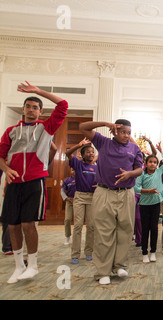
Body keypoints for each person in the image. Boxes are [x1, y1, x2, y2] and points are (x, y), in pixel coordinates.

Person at [0, 81, 68, 284]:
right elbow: (1, 156)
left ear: (40, 111)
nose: (31, 110)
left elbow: (63, 104)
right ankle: (19, 266)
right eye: (28, 106)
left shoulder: (45, 128)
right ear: (23, 109)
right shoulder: (11, 131)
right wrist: (6, 169)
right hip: (13, 182)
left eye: (35, 107)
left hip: (35, 180)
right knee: (12, 225)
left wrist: (38, 91)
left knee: (29, 224)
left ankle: (33, 265)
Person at [79, 119, 143, 285]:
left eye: (129, 133)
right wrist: (105, 123)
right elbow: (83, 127)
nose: (126, 136)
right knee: (104, 232)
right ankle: (103, 271)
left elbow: (140, 168)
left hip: (127, 193)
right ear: (115, 131)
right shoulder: (103, 142)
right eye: (123, 132)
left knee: (125, 231)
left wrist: (130, 174)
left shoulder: (134, 148)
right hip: (104, 192)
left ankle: (119, 265)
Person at [134, 147, 163, 263]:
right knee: (145, 229)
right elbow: (136, 187)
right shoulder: (141, 174)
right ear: (145, 163)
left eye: (155, 162)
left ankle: (153, 252)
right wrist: (147, 191)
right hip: (144, 205)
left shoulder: (159, 172)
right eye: (150, 162)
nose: (153, 164)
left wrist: (162, 151)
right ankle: (144, 253)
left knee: (154, 229)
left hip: (155, 204)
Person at [65, 138, 97, 264]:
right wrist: (79, 144)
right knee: (78, 226)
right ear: (83, 155)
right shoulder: (78, 164)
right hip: (79, 197)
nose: (91, 154)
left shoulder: (96, 167)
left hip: (93, 198)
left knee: (91, 226)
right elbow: (68, 153)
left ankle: (89, 251)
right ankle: (75, 254)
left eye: (92, 152)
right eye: (88, 152)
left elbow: (102, 180)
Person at [61, 167, 76, 246]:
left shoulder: (81, 179)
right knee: (67, 219)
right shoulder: (67, 180)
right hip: (69, 202)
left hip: (79, 202)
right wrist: (66, 198)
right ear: (70, 171)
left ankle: (77, 238)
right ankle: (67, 236)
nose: (74, 171)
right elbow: (62, 191)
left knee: (78, 221)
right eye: (73, 170)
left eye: (75, 170)